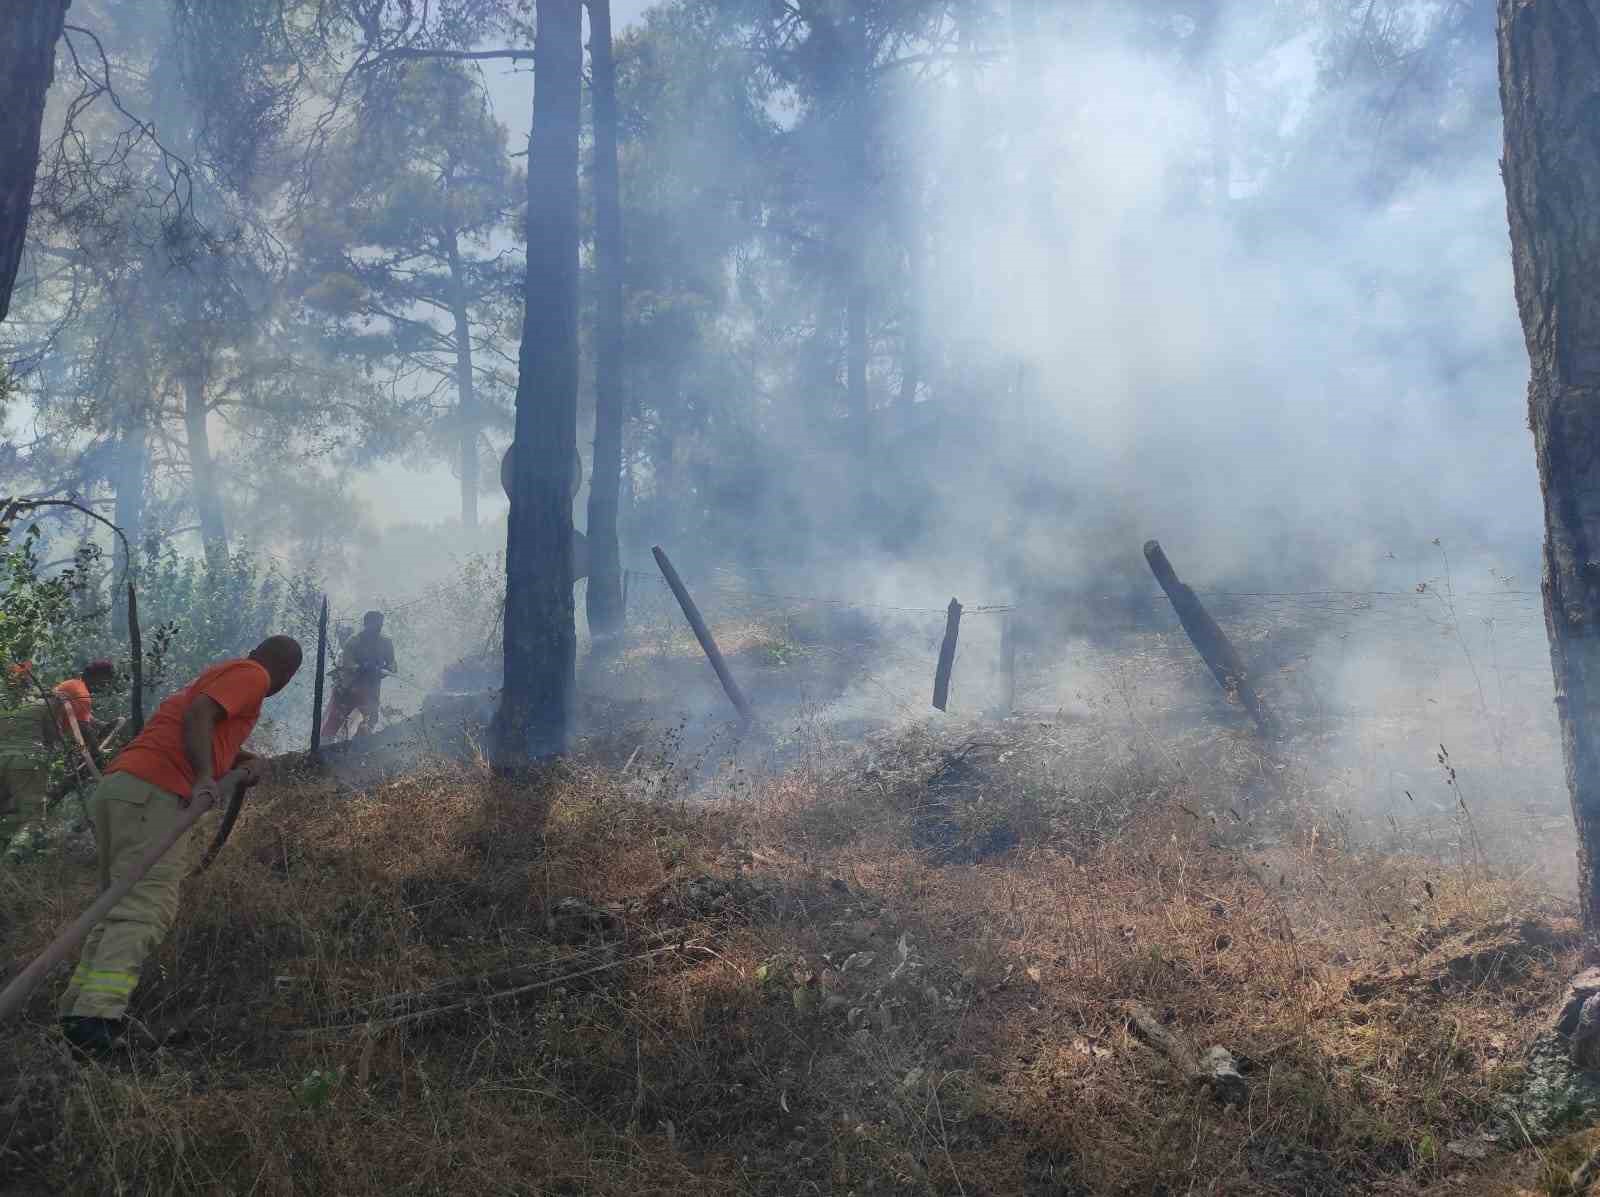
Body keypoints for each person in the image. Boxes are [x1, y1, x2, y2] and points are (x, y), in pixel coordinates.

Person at [57, 636, 302, 1054]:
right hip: (153, 793)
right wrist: (207, 776)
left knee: (116, 906)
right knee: (143, 909)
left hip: (125, 788)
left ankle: (78, 1014)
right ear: (285, 672)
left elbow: (196, 720)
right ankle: (95, 1021)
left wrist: (237, 759)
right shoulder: (253, 675)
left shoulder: (219, 673)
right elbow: (201, 715)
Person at [320, 610, 396, 741]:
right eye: (375, 625)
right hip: (348, 688)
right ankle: (323, 746)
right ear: (366, 624)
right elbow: (347, 663)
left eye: (380, 625)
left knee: (371, 719)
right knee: (334, 721)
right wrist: (362, 667)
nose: (378, 628)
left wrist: (383, 669)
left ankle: (358, 745)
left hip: (371, 690)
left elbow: (393, 666)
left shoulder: (386, 642)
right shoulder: (354, 641)